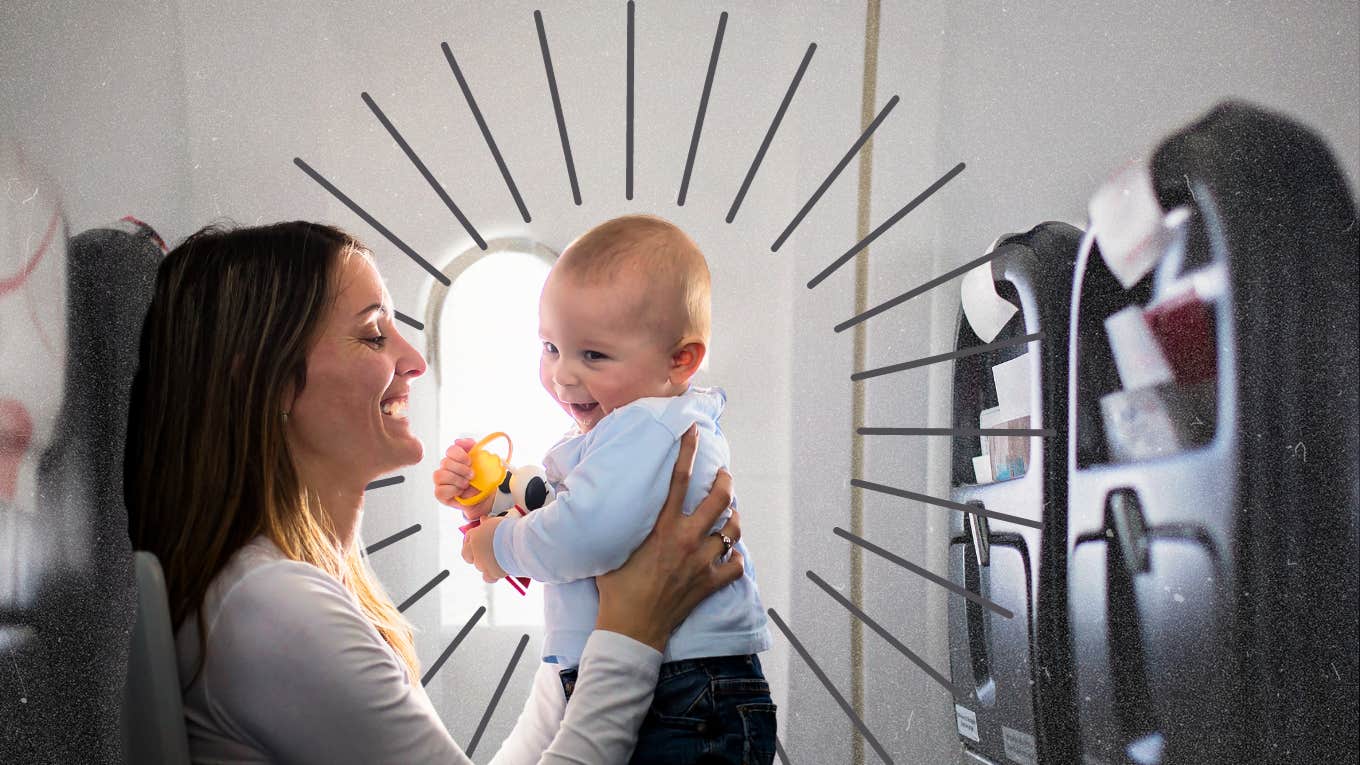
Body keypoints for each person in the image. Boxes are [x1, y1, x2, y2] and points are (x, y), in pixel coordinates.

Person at [123, 220, 744, 764]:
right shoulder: (272, 607)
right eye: (373, 336)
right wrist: (633, 630)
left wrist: (589, 631)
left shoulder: (294, 586)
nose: (415, 360)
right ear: (270, 382)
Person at [438, 215, 775, 764]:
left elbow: (589, 533)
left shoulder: (644, 427)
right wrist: (494, 497)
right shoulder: (626, 429)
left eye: (593, 355)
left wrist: (498, 546)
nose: (563, 375)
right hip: (672, 679)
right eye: (551, 347)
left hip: (685, 687)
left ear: (679, 359)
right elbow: (571, 507)